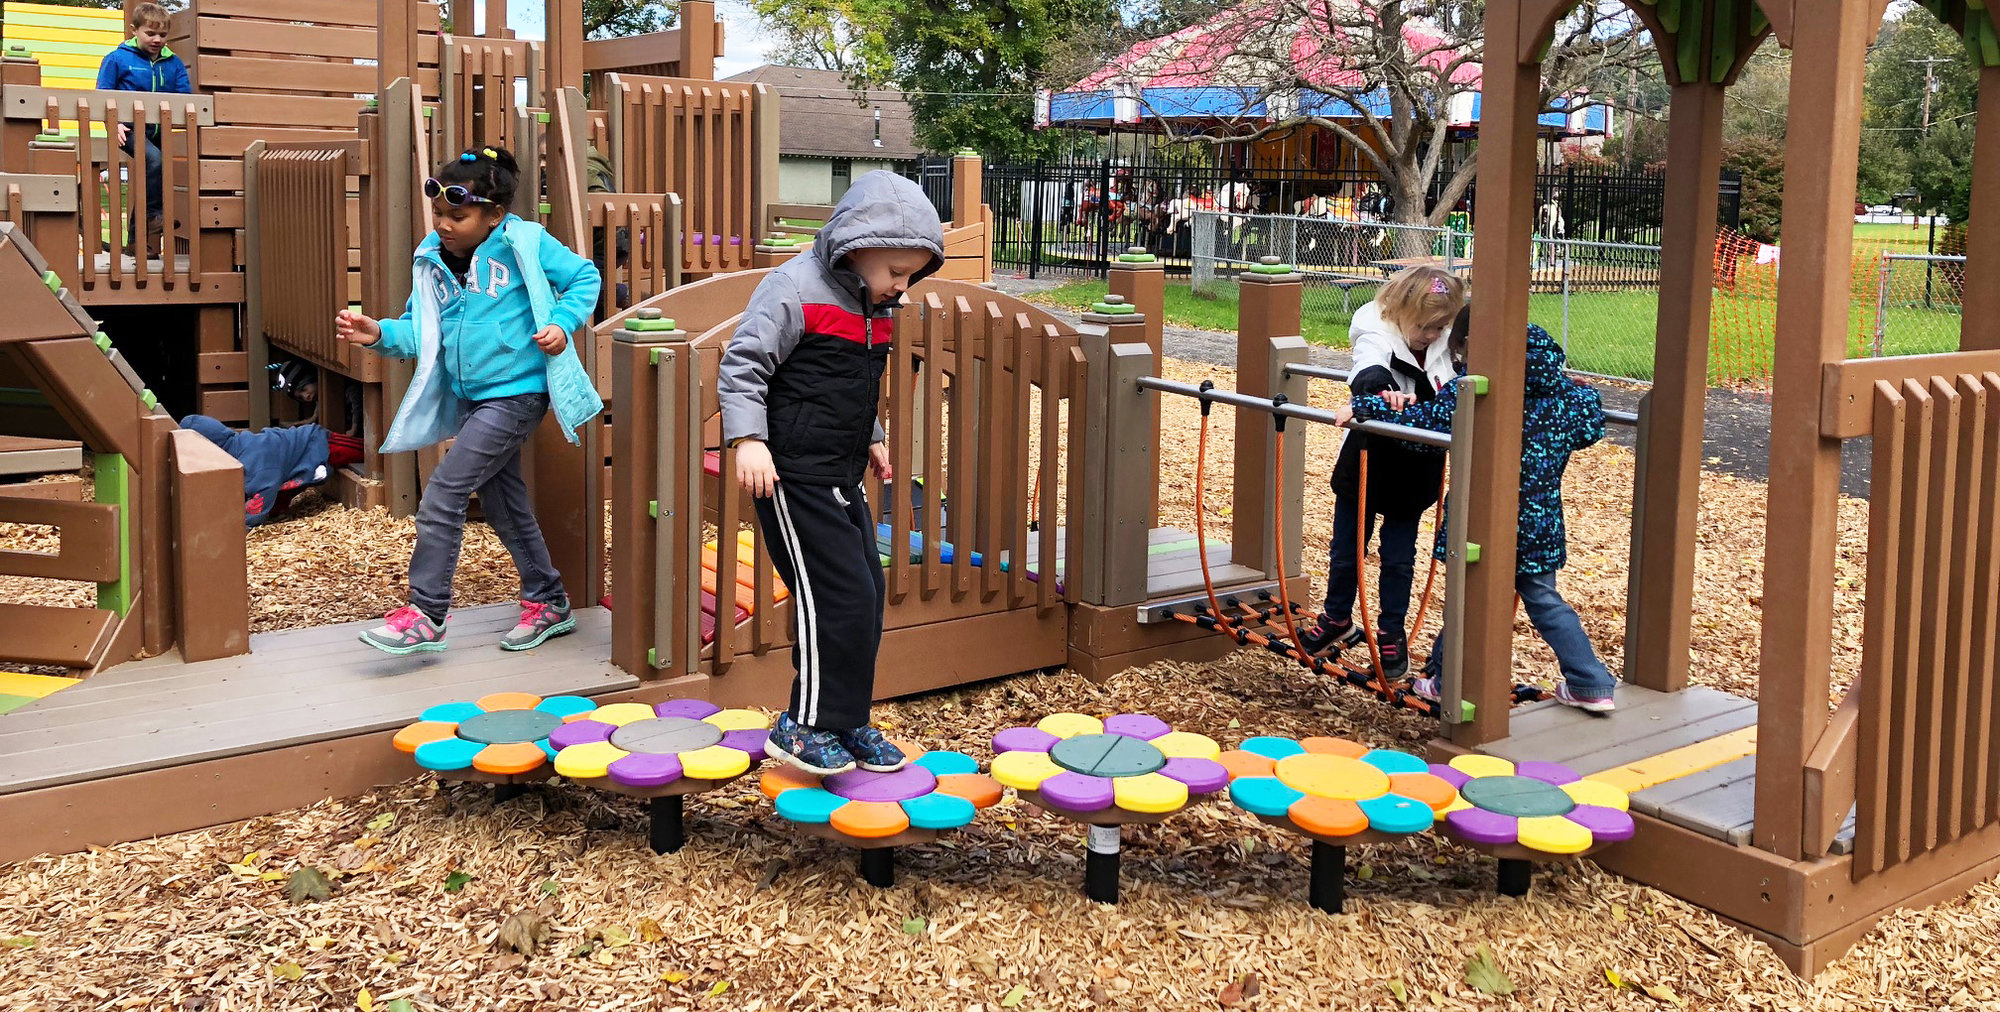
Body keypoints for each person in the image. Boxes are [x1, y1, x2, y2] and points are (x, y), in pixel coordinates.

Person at [334, 146, 603, 656]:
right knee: (503, 502)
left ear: (494, 215)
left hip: (517, 394)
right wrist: (379, 334)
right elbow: (421, 331)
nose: (444, 225)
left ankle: (426, 613)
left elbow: (584, 277)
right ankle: (548, 599)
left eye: (457, 216)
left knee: (444, 491)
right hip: (472, 398)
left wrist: (562, 323)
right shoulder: (432, 258)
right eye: (438, 213)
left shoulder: (524, 241)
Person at [717, 170, 943, 776]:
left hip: (839, 471)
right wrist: (748, 439)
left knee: (865, 596)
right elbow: (743, 367)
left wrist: (872, 437)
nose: (902, 286)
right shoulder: (793, 288)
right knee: (831, 596)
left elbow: (847, 385)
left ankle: (846, 719)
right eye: (896, 272)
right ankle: (803, 724)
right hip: (791, 473)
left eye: (912, 276)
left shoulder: (875, 304)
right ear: (856, 248)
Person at [1342, 319, 1619, 714]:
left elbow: (1419, 431)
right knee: (1544, 600)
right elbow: (1591, 427)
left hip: (1481, 518)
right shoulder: (1568, 398)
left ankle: (1444, 681)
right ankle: (1590, 682)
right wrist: (1582, 389)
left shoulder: (1472, 393)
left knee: (1468, 599)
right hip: (1539, 522)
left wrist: (1362, 407)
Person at [1297, 267, 1466, 680]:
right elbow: (1368, 365)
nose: (1432, 335)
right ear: (1400, 311)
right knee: (1346, 547)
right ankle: (1337, 617)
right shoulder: (1377, 326)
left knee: (1398, 557)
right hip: (1368, 457)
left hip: (1416, 466)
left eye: (1440, 326)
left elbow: (1460, 383)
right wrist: (1381, 391)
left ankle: (1391, 632)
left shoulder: (1447, 342)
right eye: (1424, 326)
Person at [95, 2, 192, 260]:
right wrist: (113, 123)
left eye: (162, 34)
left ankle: (135, 242)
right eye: (150, 33)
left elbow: (184, 96)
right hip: (128, 128)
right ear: (134, 30)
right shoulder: (118, 59)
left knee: (154, 176)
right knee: (155, 160)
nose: (157, 39)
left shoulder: (173, 63)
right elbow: (102, 95)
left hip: (158, 130)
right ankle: (152, 215)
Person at [179, 415, 363, 527]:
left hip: (317, 443)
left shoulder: (253, 465)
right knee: (276, 494)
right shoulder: (237, 450)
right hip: (288, 466)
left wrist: (241, 527)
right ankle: (278, 510)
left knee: (366, 451)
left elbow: (260, 499)